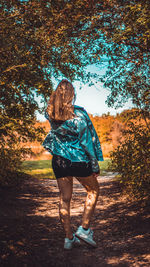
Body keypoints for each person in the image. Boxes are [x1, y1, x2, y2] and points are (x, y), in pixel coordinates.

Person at [42, 79, 103, 250]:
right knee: (93, 190)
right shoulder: (79, 115)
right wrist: (95, 165)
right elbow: (87, 143)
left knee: (64, 198)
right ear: (72, 95)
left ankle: (68, 238)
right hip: (78, 160)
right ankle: (84, 229)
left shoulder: (50, 114)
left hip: (59, 161)